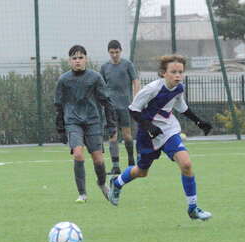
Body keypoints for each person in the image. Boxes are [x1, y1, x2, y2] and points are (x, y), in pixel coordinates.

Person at [108, 54, 213, 220]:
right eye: (173, 72)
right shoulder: (152, 89)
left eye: (180, 72)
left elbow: (182, 107)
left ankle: (193, 208)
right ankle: (117, 182)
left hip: (169, 131)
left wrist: (199, 122)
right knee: (142, 172)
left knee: (186, 164)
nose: (178, 75)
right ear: (164, 73)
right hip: (147, 134)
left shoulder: (179, 88)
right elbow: (133, 110)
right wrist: (149, 127)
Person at [55, 45, 116, 203]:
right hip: (73, 122)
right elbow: (58, 105)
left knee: (98, 159)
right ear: (69, 61)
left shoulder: (95, 78)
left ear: (86, 59)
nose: (77, 61)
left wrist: (111, 125)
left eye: (80, 57)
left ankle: (102, 183)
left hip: (93, 122)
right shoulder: (63, 80)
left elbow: (107, 102)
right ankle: (82, 194)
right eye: (74, 58)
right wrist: (61, 128)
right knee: (78, 154)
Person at [100, 40, 140, 175]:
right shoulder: (105, 67)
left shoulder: (127, 65)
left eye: (117, 52)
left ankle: (131, 161)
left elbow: (135, 81)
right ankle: (115, 166)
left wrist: (136, 98)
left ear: (120, 51)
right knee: (112, 136)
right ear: (109, 52)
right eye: (112, 52)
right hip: (110, 107)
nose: (115, 55)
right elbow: (101, 86)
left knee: (127, 135)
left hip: (125, 106)